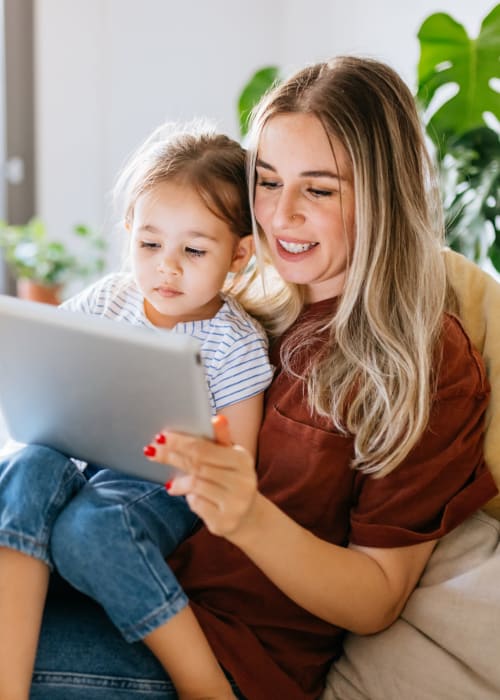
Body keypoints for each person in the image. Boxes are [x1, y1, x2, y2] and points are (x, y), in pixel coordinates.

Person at [28, 55, 498, 700]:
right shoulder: (236, 295)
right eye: (268, 181)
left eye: (321, 189)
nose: (280, 216)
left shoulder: (423, 363)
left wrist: (247, 514)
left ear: (384, 196)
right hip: (97, 579)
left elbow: (376, 599)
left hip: (226, 650)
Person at [0, 123, 273, 700]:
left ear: (239, 255)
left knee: (94, 528)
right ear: (129, 234)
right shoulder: (108, 298)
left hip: (161, 484)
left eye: (194, 251)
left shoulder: (235, 342)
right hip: (80, 461)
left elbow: (237, 463)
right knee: (27, 468)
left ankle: (201, 686)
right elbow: (46, 364)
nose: (166, 268)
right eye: (150, 244)